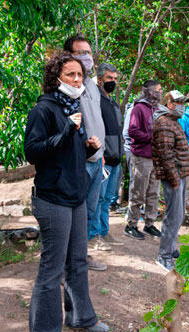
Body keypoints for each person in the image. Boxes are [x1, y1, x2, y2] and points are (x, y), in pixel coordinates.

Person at [24, 52, 109, 332]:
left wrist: (87, 149)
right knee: (52, 269)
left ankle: (82, 317)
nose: (76, 79)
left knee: (78, 260)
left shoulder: (72, 107)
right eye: (70, 74)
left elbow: (64, 154)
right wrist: (65, 131)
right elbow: (33, 152)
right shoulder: (44, 110)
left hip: (75, 196)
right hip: (52, 200)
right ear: (55, 77)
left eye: (80, 75)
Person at [63, 36, 109, 268]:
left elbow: (96, 120)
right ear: (68, 55)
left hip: (96, 160)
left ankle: (81, 256)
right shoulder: (66, 85)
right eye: (80, 53)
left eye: (89, 52)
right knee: (72, 214)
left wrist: (100, 156)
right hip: (78, 161)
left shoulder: (91, 84)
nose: (87, 57)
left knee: (88, 213)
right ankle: (65, 262)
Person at [152, 90, 189, 271]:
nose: (182, 106)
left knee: (179, 215)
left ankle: (171, 247)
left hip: (179, 175)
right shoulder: (164, 123)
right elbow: (166, 155)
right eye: (178, 102)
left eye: (183, 102)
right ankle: (164, 255)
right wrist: (175, 180)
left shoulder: (173, 121)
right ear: (169, 104)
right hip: (173, 177)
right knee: (173, 215)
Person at [124, 80, 163, 240]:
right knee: (138, 192)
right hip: (141, 157)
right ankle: (131, 225)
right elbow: (132, 131)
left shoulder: (157, 109)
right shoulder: (139, 108)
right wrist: (151, 137)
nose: (161, 93)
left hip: (156, 157)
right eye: (159, 90)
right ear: (151, 92)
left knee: (153, 193)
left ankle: (149, 224)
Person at [93, 63, 124, 248]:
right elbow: (95, 129)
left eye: (115, 79)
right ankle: (94, 235)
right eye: (109, 79)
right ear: (99, 79)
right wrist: (100, 154)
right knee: (97, 199)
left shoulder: (112, 101)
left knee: (107, 200)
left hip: (116, 159)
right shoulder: (96, 100)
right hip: (103, 158)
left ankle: (104, 232)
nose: (113, 82)